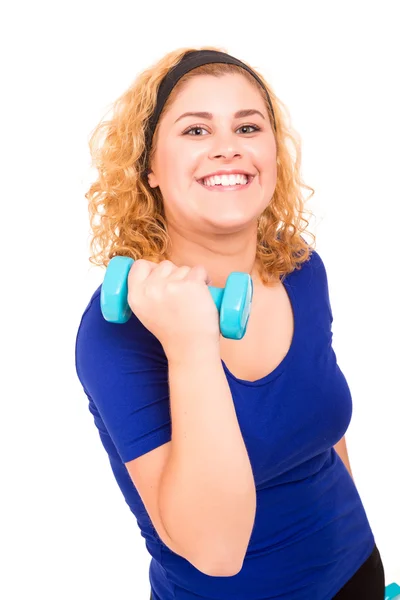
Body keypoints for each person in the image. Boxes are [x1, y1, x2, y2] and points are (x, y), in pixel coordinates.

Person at [75, 47, 385, 599]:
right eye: (195, 130)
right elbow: (216, 551)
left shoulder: (301, 270)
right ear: (148, 166)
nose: (227, 148)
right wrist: (190, 346)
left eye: (248, 126)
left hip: (357, 573)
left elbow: (328, 435)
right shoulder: (116, 332)